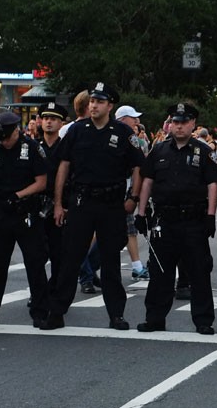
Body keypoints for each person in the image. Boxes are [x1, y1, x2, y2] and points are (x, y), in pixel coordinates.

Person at [40, 82, 144, 331]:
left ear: (110, 106)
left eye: (100, 102)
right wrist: (58, 203)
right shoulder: (77, 130)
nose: (94, 105)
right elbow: (64, 166)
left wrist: (133, 197)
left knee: (110, 262)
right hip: (81, 202)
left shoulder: (122, 132)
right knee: (70, 259)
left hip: (111, 204)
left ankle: (116, 314)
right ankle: (57, 312)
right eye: (92, 101)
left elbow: (138, 166)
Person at [136, 103, 217, 334]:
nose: (179, 126)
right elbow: (147, 181)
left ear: (193, 124)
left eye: (184, 122)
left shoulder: (202, 151)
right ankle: (155, 318)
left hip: (193, 220)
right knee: (160, 272)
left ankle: (203, 320)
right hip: (164, 219)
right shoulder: (159, 150)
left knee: (199, 271)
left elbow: (212, 183)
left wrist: (211, 216)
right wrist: (141, 212)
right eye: (175, 122)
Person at [0, 112, 49, 326]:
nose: (4, 141)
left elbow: (41, 182)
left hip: (25, 212)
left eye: (6, 137)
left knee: (35, 263)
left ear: (16, 130)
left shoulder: (31, 148)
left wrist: (18, 195)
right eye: (1, 138)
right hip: (0, 213)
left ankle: (40, 311)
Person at [114, 104, 150, 280]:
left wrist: (134, 195)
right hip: (112, 191)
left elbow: (139, 165)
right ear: (122, 119)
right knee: (100, 232)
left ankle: (137, 266)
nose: (136, 121)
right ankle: (84, 266)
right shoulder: (115, 136)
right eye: (132, 118)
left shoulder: (132, 138)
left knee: (130, 229)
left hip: (126, 189)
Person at [37, 102, 68, 293]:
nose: (49, 122)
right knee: (37, 254)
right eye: (46, 118)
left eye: (54, 119)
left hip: (59, 206)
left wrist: (63, 204)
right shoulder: (34, 147)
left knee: (58, 252)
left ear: (61, 123)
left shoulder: (65, 147)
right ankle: (39, 291)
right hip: (37, 205)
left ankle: (56, 289)